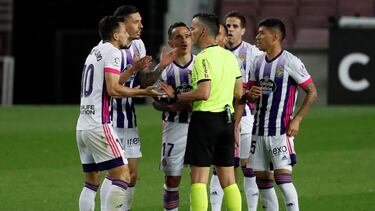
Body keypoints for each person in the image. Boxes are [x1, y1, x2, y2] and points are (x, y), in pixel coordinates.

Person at [76, 15, 160, 211]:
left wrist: (132, 71)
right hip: (100, 124)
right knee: (123, 175)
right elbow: (114, 90)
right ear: (115, 35)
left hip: (83, 125)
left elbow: (112, 82)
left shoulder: (95, 51)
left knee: (91, 183)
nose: (126, 35)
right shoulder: (113, 52)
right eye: (123, 32)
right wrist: (144, 92)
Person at [160, 12, 243, 211]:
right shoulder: (230, 57)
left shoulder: (202, 59)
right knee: (229, 180)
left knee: (198, 180)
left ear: (204, 31)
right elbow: (239, 92)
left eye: (193, 28)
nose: (191, 32)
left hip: (205, 120)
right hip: (226, 120)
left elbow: (203, 93)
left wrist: (175, 96)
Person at [99, 5, 177, 211]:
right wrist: (134, 70)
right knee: (116, 174)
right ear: (122, 24)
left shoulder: (138, 45)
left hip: (128, 118)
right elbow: (111, 88)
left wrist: (161, 66)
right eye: (136, 21)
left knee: (131, 176)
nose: (141, 25)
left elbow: (143, 81)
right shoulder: (109, 47)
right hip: (108, 119)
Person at [245, 18, 318, 211]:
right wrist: (249, 95)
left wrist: (298, 119)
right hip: (258, 131)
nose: (257, 37)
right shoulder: (257, 62)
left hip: (280, 131)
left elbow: (312, 91)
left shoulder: (290, 61)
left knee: (283, 180)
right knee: (263, 183)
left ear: (275, 37)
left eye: (262, 33)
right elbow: (251, 94)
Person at [152, 22, 195, 211]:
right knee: (172, 178)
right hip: (174, 128)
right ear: (170, 42)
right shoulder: (166, 71)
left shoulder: (202, 65)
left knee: (199, 179)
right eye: (178, 37)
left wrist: (176, 100)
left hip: (199, 128)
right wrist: (169, 104)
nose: (184, 40)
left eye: (187, 35)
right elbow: (156, 102)